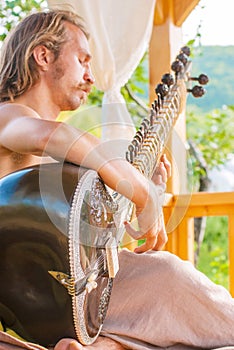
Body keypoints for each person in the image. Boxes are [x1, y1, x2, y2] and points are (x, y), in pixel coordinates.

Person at [0, 9, 234, 350]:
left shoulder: (56, 166)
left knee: (167, 311)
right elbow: (55, 136)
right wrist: (141, 193)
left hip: (62, 302)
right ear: (44, 55)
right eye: (82, 60)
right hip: (27, 297)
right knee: (168, 275)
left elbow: (83, 247)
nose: (91, 77)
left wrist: (149, 187)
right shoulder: (9, 116)